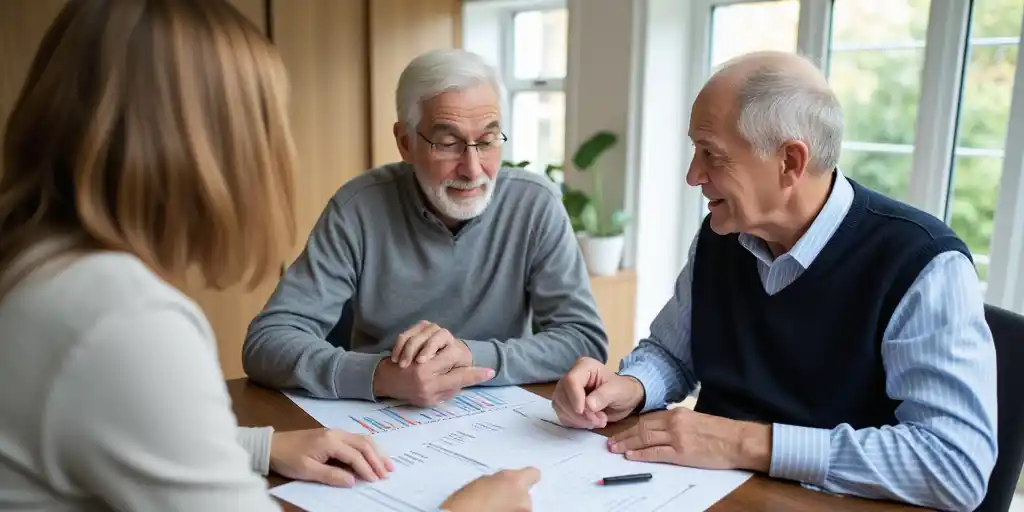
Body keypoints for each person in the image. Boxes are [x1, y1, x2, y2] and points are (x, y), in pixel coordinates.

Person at [0, 1, 538, 511]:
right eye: (265, 123)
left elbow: (108, 421)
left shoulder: (39, 271)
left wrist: (257, 448)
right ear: (207, 148)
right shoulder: (125, 322)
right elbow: (259, 344)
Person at [551, 51, 998, 512]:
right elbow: (672, 353)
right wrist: (631, 386)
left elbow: (955, 465)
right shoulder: (721, 235)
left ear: (789, 161)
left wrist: (747, 443)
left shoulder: (922, 263)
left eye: (712, 154)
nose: (693, 175)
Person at [242, 48, 608, 406]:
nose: (473, 169)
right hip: (382, 418)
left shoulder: (534, 204)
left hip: (502, 417)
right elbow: (267, 342)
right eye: (448, 143)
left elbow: (584, 341)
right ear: (406, 142)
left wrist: (469, 356)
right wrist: (379, 375)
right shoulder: (359, 208)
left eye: (487, 141)